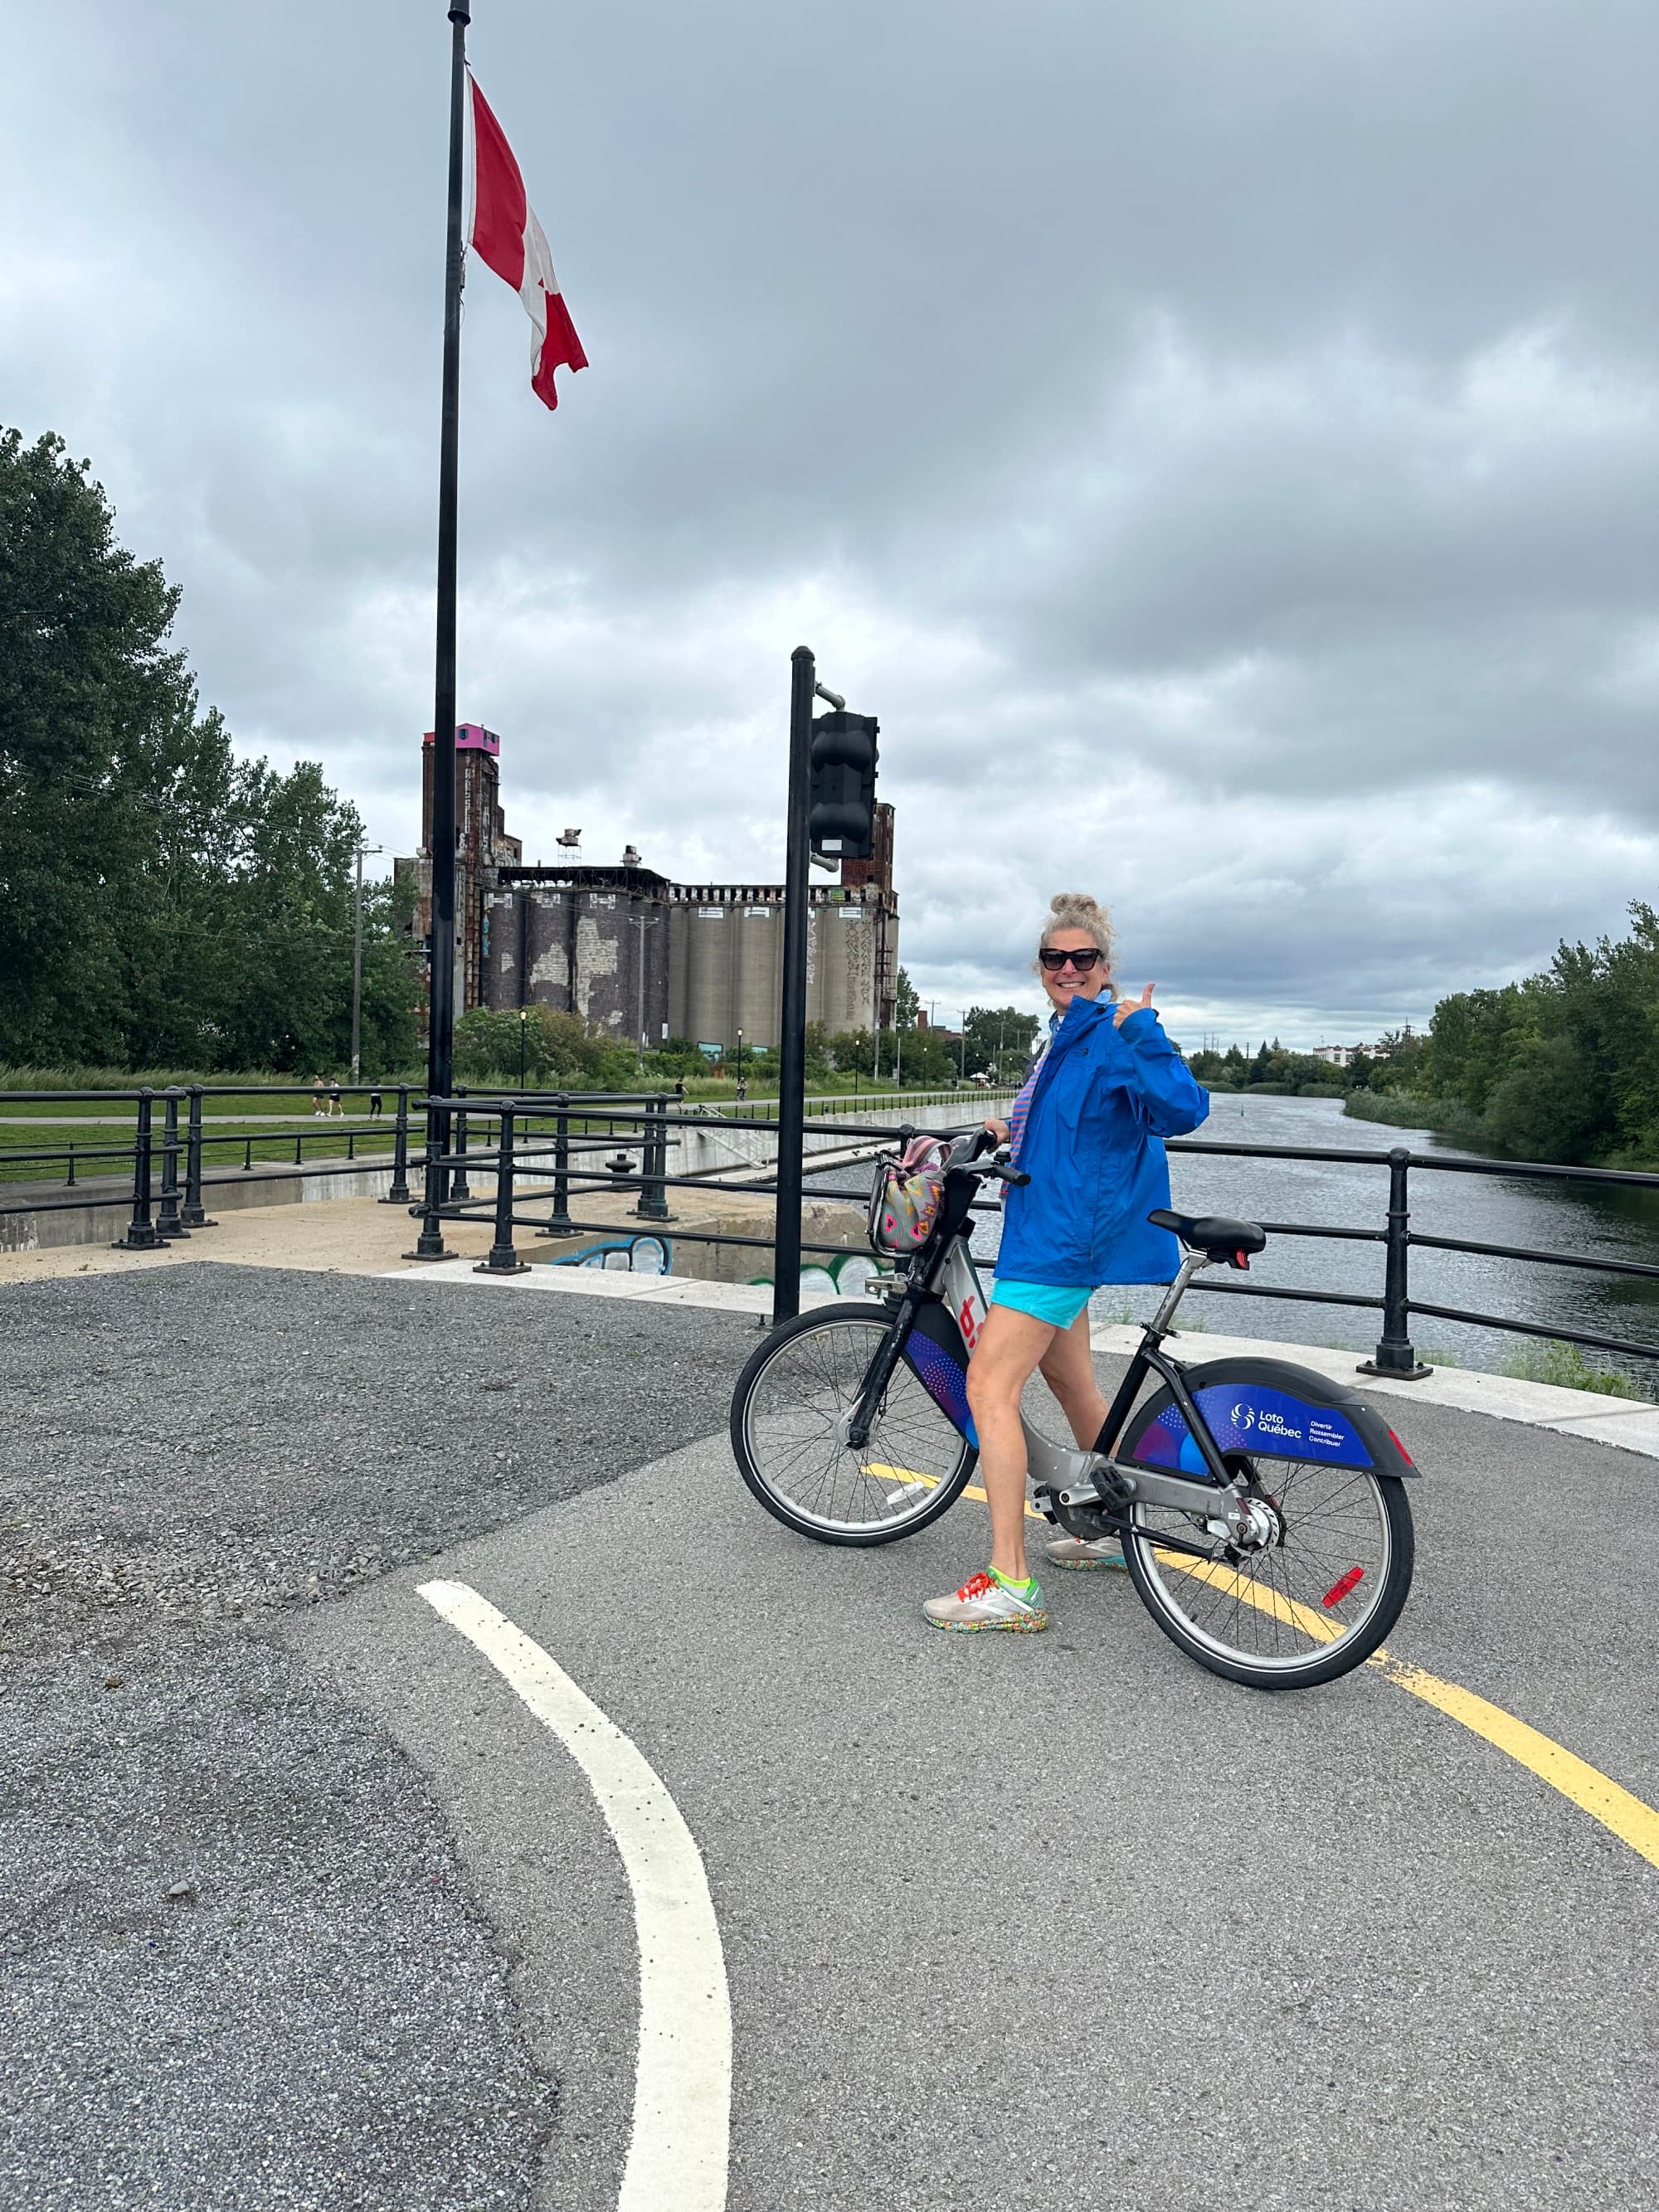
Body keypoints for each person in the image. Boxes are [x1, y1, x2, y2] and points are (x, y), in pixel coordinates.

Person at [923, 891, 1209, 1635]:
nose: (1070, 968)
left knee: (988, 1384)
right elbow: (1066, 1128)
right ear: (1040, 968)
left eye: (1084, 958)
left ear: (1105, 967)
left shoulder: (1114, 1032)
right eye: (1057, 958)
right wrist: (1004, 1127)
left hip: (1059, 1244)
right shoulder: (1061, 1038)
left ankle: (1011, 1582)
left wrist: (1144, 1028)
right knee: (1071, 1378)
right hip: (1050, 1230)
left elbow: (1183, 1109)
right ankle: (1120, 1527)